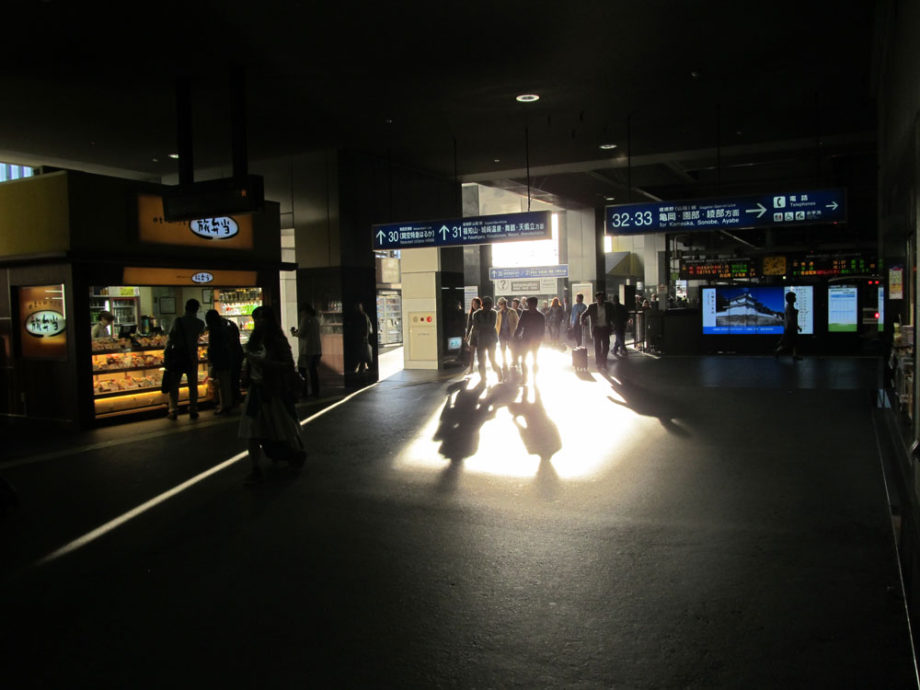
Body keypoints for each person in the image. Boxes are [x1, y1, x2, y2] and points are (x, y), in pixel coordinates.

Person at [239, 306, 305, 484]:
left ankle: (293, 454)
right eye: (256, 319)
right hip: (256, 390)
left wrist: (264, 364)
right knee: (252, 430)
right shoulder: (255, 339)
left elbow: (288, 365)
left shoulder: (277, 340)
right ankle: (256, 467)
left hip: (274, 391)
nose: (259, 322)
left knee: (281, 427)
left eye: (262, 319)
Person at [166, 298, 205, 420]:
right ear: (197, 309)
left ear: (185, 307)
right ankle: (193, 409)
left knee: (174, 384)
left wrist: (166, 353)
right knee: (193, 384)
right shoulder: (200, 323)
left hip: (178, 355)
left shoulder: (177, 321)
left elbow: (170, 338)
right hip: (192, 355)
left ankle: (173, 410)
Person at [205, 309, 234, 415]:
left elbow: (212, 346)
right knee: (226, 382)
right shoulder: (224, 327)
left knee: (221, 383)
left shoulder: (214, 330)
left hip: (219, 358)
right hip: (226, 357)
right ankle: (228, 403)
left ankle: (224, 405)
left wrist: (211, 359)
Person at [580, 291, 617, 371]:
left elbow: (614, 315)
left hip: (605, 329)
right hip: (596, 329)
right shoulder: (592, 307)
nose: (600, 300)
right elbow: (583, 315)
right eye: (598, 299)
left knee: (606, 346)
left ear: (604, 299)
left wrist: (614, 324)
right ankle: (599, 362)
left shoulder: (608, 306)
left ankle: (603, 361)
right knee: (597, 347)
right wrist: (583, 321)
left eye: (601, 299)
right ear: (596, 299)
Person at [291, 305, 323, 397]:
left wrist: (294, 333)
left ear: (305, 311)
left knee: (302, 370)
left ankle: (303, 391)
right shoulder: (316, 319)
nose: (301, 314)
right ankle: (315, 391)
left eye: (301, 312)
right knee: (313, 372)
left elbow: (301, 334)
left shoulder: (305, 319)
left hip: (307, 350)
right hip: (317, 349)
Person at [470, 296, 502, 380]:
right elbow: (476, 326)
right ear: (483, 305)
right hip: (481, 339)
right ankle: (483, 377)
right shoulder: (476, 314)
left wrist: (482, 327)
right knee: (481, 360)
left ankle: (498, 371)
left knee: (492, 360)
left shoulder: (494, 313)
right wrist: (485, 327)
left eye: (490, 305)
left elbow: (492, 325)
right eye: (487, 305)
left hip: (491, 340)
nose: (489, 307)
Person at [514, 296, 545, 379]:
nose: (529, 305)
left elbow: (542, 330)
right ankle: (525, 375)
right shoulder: (525, 313)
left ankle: (534, 375)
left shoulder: (540, 316)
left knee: (534, 358)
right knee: (524, 359)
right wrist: (516, 335)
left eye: (530, 304)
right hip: (526, 339)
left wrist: (540, 340)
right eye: (528, 304)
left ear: (535, 304)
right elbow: (520, 325)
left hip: (534, 340)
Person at [775, 291, 803, 360]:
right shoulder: (789, 307)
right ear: (791, 299)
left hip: (790, 328)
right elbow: (791, 319)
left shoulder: (790, 307)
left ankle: (794, 355)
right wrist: (796, 326)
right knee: (788, 343)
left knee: (794, 342)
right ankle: (777, 351)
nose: (795, 298)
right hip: (790, 329)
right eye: (794, 297)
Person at [495, 297, 519, 371]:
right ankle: (504, 362)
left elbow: (517, 321)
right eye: (500, 304)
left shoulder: (512, 311)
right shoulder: (498, 313)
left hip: (510, 333)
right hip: (501, 333)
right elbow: (496, 323)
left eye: (502, 304)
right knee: (503, 349)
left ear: (505, 303)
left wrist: (516, 331)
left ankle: (513, 361)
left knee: (511, 348)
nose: (502, 305)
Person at [351, 302, 374, 373]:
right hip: (363, 338)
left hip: (362, 338)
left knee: (361, 353)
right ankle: (363, 367)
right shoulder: (363, 315)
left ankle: (360, 368)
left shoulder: (362, 316)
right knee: (363, 353)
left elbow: (365, 328)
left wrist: (364, 336)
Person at [464, 297, 482, 374]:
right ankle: (471, 369)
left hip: (480, 335)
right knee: (471, 352)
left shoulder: (482, 312)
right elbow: (469, 326)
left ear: (479, 304)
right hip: (473, 334)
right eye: (472, 304)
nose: (474, 305)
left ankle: (481, 368)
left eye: (475, 303)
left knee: (480, 353)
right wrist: (466, 336)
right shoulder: (471, 313)